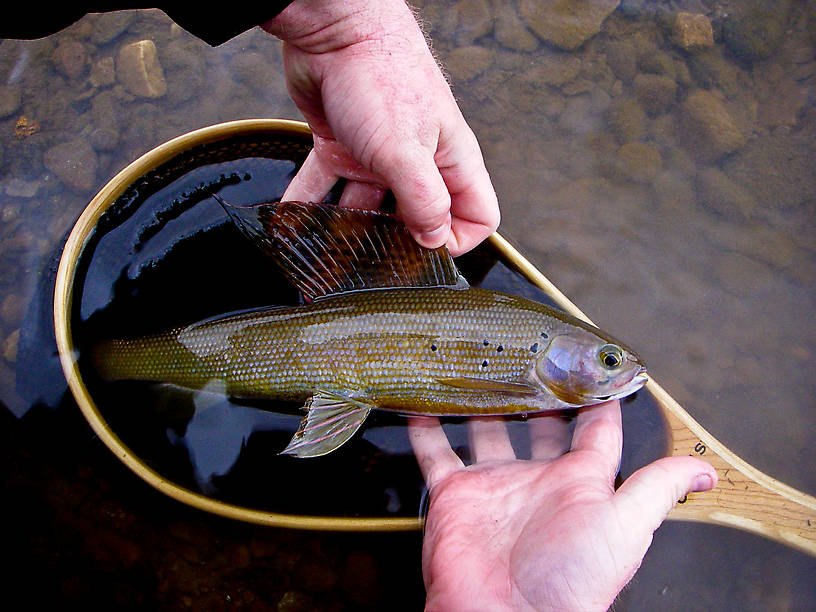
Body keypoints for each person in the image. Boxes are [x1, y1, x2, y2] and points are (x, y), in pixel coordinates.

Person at [6, 2, 717, 608]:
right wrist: (346, 26)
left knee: (163, 362)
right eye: (607, 359)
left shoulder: (529, 367)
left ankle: (95, 365)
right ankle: (108, 365)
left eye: (611, 361)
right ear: (561, 354)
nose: (616, 368)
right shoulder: (521, 374)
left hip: (304, 348)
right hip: (315, 352)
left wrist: (345, 22)